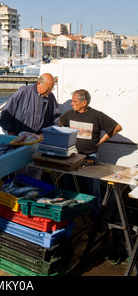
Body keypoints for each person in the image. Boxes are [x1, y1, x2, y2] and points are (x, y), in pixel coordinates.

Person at [59, 88, 122, 219]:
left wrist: (101, 140)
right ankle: (68, 214)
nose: (71, 104)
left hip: (90, 158)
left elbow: (117, 127)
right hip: (72, 156)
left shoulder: (97, 115)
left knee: (92, 189)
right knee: (69, 186)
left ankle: (95, 218)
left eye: (74, 101)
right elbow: (61, 122)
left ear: (84, 102)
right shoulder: (70, 114)